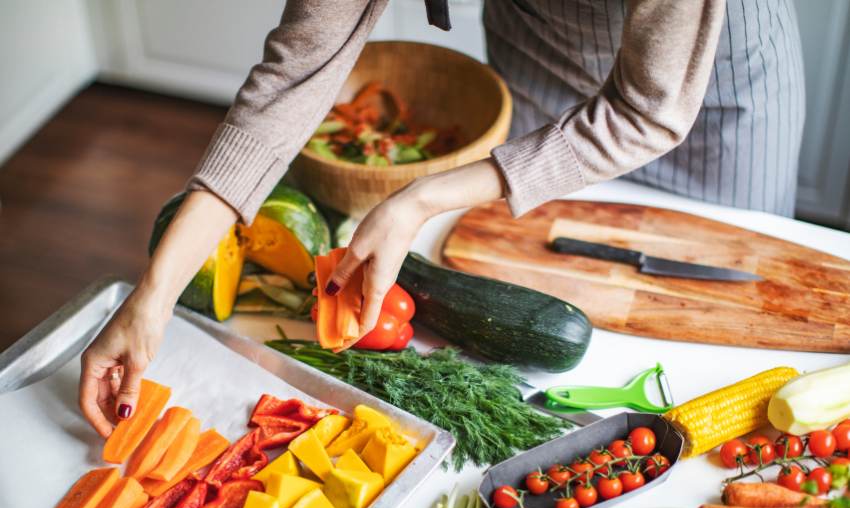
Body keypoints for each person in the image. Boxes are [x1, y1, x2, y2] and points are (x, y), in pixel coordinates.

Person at [79, 0, 805, 435]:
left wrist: (422, 199)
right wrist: (154, 296)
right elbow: (291, 82)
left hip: (709, 85)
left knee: (721, 318)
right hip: (543, 49)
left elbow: (648, 110)